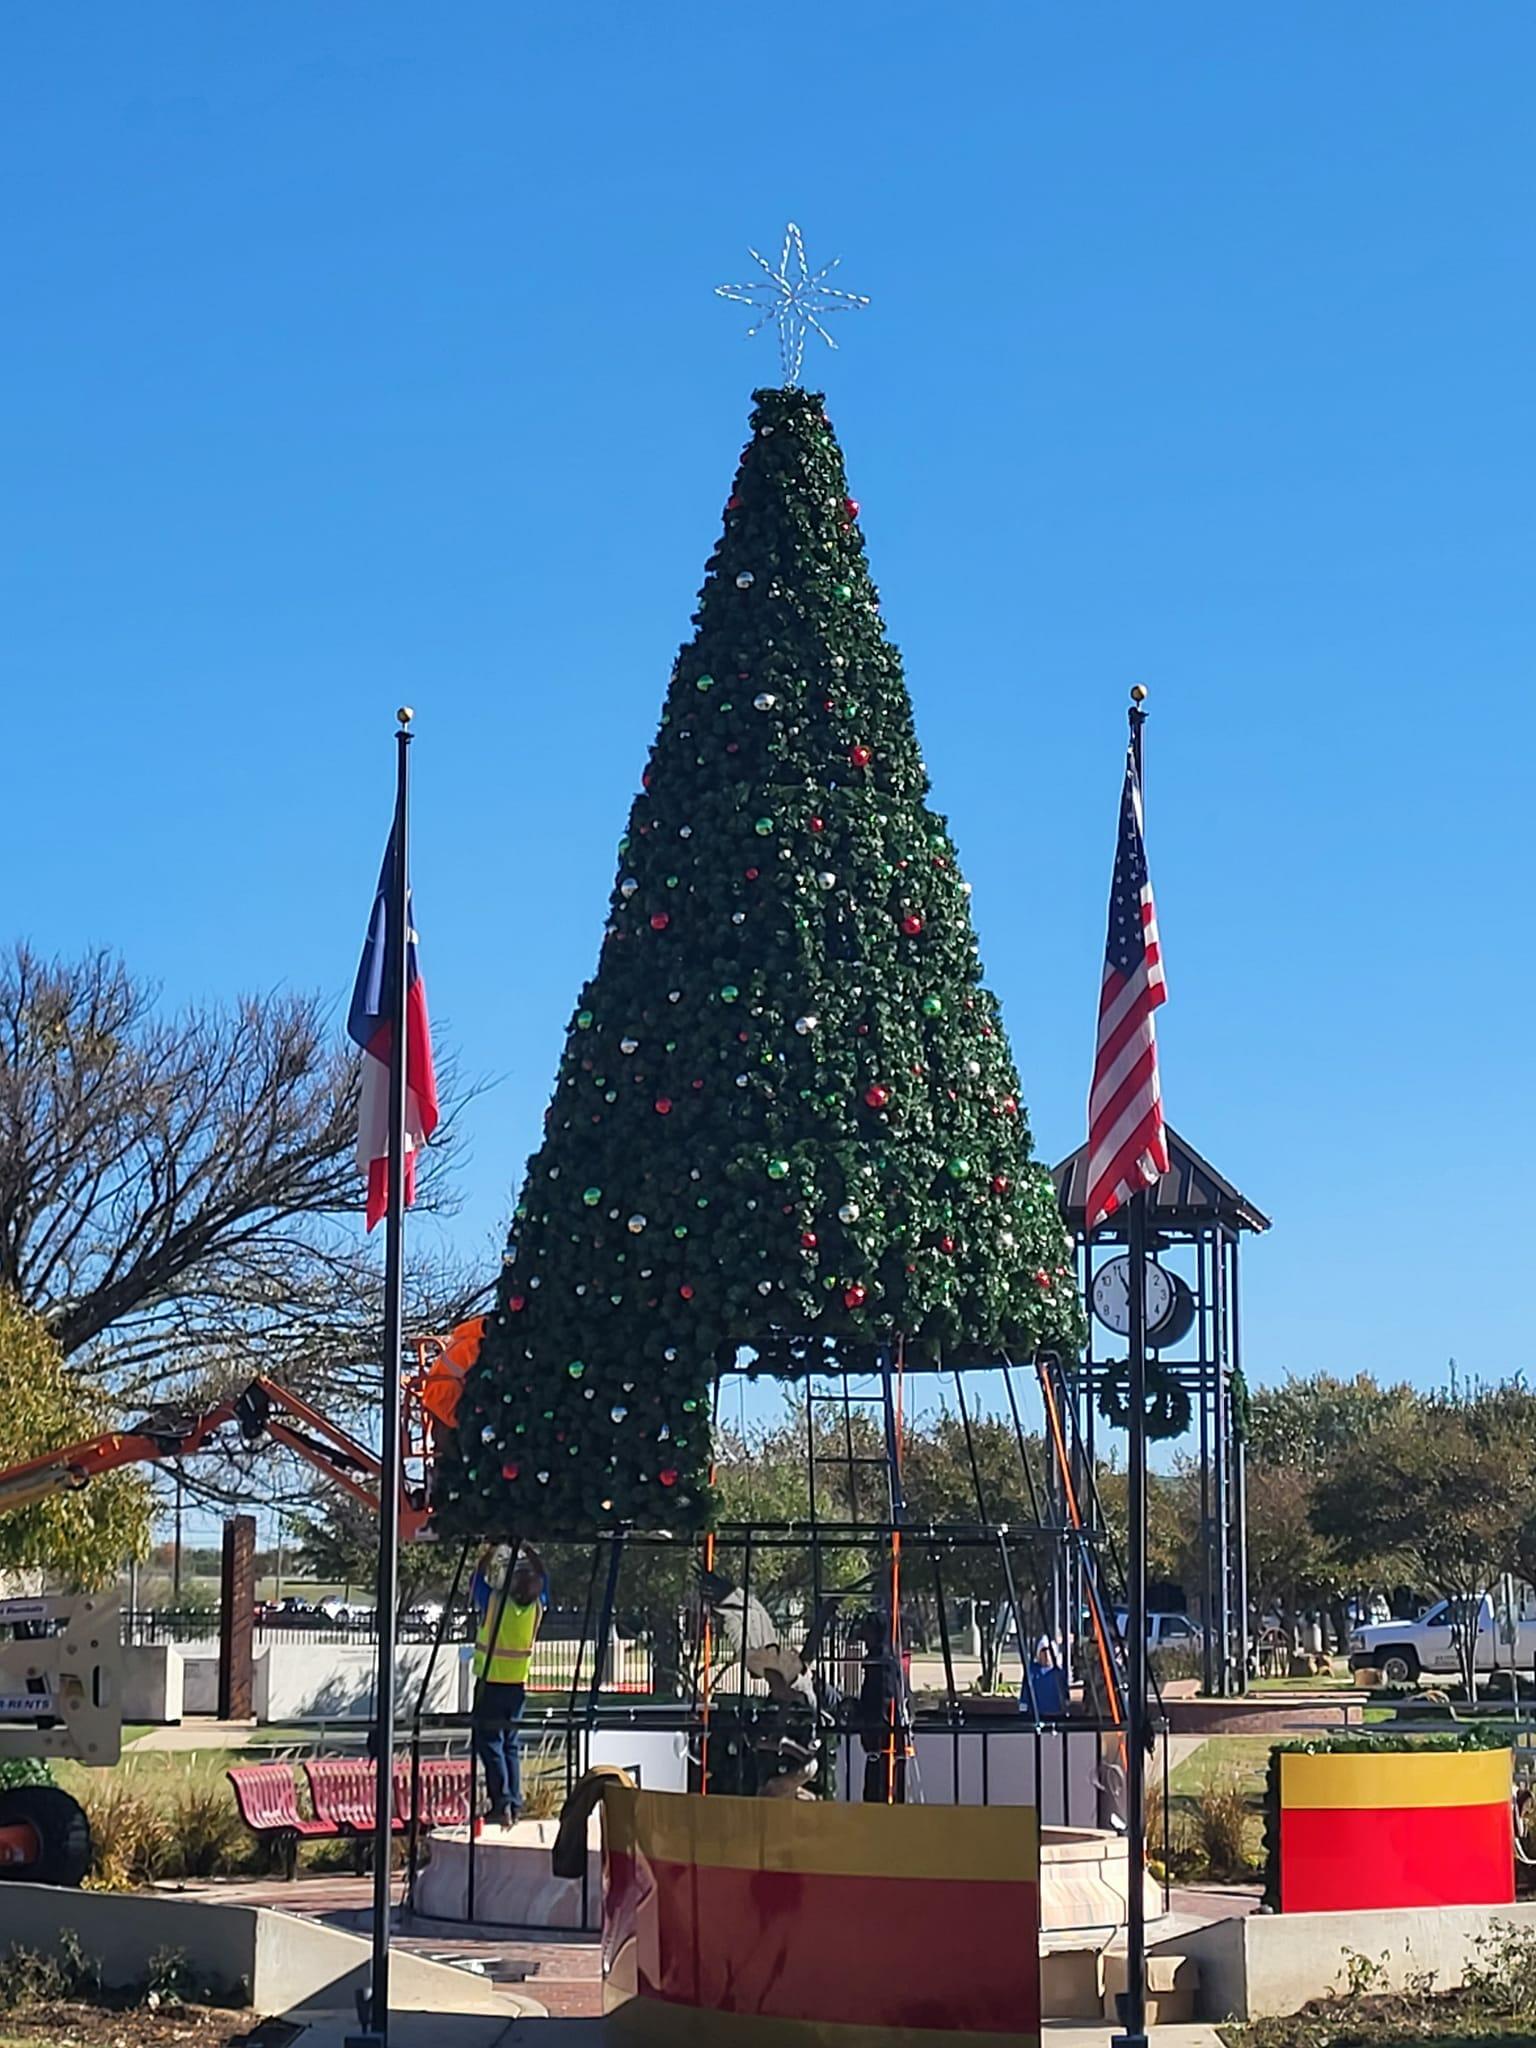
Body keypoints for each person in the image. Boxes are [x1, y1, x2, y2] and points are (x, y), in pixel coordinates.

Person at [471, 1540, 546, 1828]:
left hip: (491, 1682)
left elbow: (477, 1579)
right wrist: (530, 1551)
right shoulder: (536, 1607)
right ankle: (514, 1802)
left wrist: (489, 1551)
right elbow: (544, 1580)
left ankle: (502, 1804)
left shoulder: (494, 1601)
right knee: (510, 1744)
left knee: (490, 1743)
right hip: (517, 1686)